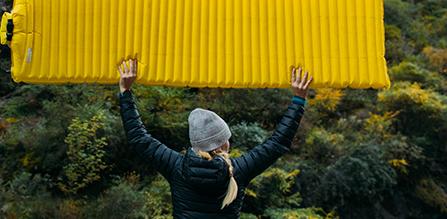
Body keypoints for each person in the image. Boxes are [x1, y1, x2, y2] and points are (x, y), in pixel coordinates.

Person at [117, 59, 312, 218]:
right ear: (223, 143)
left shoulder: (176, 166)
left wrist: (126, 92)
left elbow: (138, 138)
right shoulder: (238, 170)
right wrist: (298, 98)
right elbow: (278, 143)